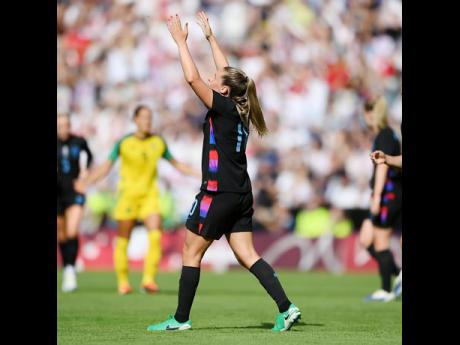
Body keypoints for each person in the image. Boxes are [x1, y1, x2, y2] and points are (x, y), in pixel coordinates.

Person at [147, 12, 301, 332]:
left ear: (225, 92)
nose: (212, 78)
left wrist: (180, 42)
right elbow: (227, 73)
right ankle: (286, 308)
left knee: (191, 251)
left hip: (217, 191)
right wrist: (211, 37)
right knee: (246, 254)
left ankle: (180, 319)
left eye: (217, 81)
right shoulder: (240, 109)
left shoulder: (224, 107)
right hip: (241, 191)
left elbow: (192, 79)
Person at [76, 105, 200, 295]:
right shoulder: (124, 143)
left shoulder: (158, 142)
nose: (147, 121)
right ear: (135, 120)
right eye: (143, 118)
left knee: (156, 235)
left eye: (149, 118)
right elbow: (106, 167)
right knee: (123, 239)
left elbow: (177, 164)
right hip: (127, 197)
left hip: (150, 196)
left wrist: (199, 173)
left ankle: (148, 280)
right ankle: (123, 282)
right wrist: (87, 181)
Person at [359, 96, 402, 302]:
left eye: (368, 110)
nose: (364, 115)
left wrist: (376, 197)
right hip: (385, 193)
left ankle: (386, 290)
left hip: (387, 194)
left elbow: (383, 165)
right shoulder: (383, 135)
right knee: (366, 239)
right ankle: (397, 277)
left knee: (380, 242)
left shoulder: (384, 135)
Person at [57, 114, 93, 292]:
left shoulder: (79, 141)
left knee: (72, 231)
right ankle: (66, 267)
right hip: (58, 193)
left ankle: (70, 271)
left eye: (66, 125)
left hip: (74, 191)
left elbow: (88, 158)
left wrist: (84, 175)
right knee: (61, 235)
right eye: (60, 126)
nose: (63, 128)